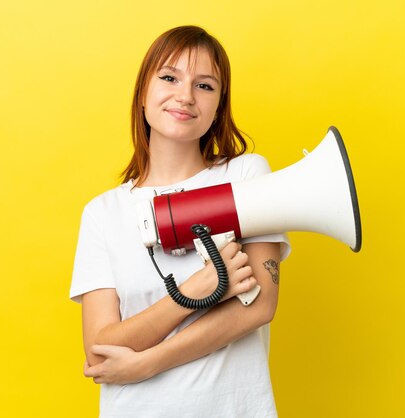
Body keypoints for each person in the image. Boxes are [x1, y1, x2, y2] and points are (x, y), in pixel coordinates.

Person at [70, 25, 290, 418]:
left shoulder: (244, 178)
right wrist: (194, 292)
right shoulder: (102, 213)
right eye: (169, 78)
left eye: (205, 86)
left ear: (220, 105)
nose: (185, 96)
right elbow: (100, 347)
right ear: (142, 94)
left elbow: (258, 307)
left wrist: (146, 362)